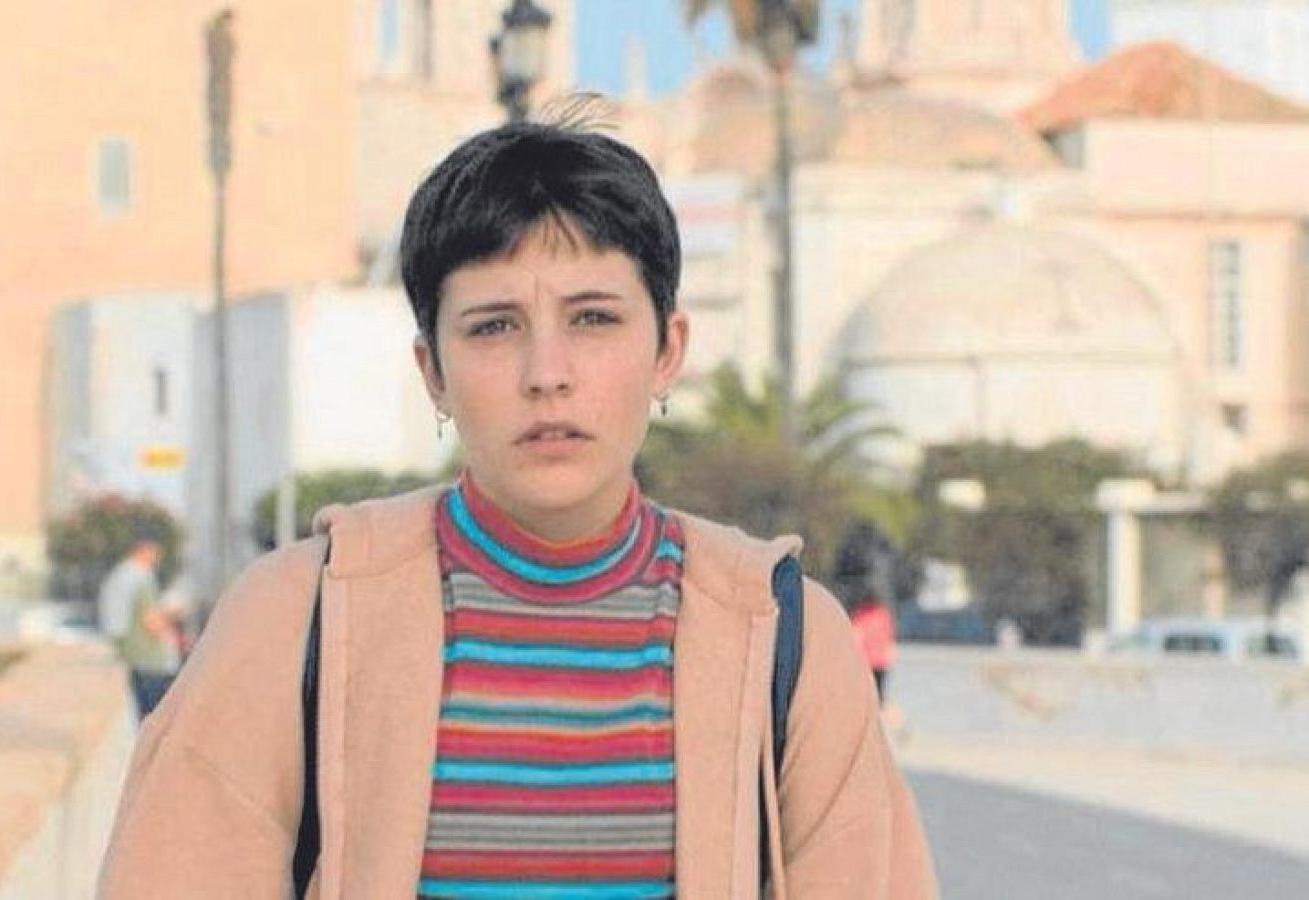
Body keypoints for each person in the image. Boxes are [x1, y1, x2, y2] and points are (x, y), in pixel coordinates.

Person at [100, 119, 936, 897]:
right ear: (433, 370)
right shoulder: (297, 617)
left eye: (594, 319)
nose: (548, 372)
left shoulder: (783, 634)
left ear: (667, 350)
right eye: (494, 327)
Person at [97, 537, 182, 719]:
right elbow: (151, 622)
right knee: (158, 719)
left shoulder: (119, 575)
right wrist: (173, 615)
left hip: (134, 656)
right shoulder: (141, 578)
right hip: (154, 659)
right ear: (146, 550)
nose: (157, 559)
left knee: (144, 717)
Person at [848, 591, 897, 702]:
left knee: (865, 694)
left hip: (867, 662)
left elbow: (856, 636)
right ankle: (878, 712)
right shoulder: (883, 614)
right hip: (879, 661)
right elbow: (889, 635)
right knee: (878, 693)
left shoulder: (860, 614)